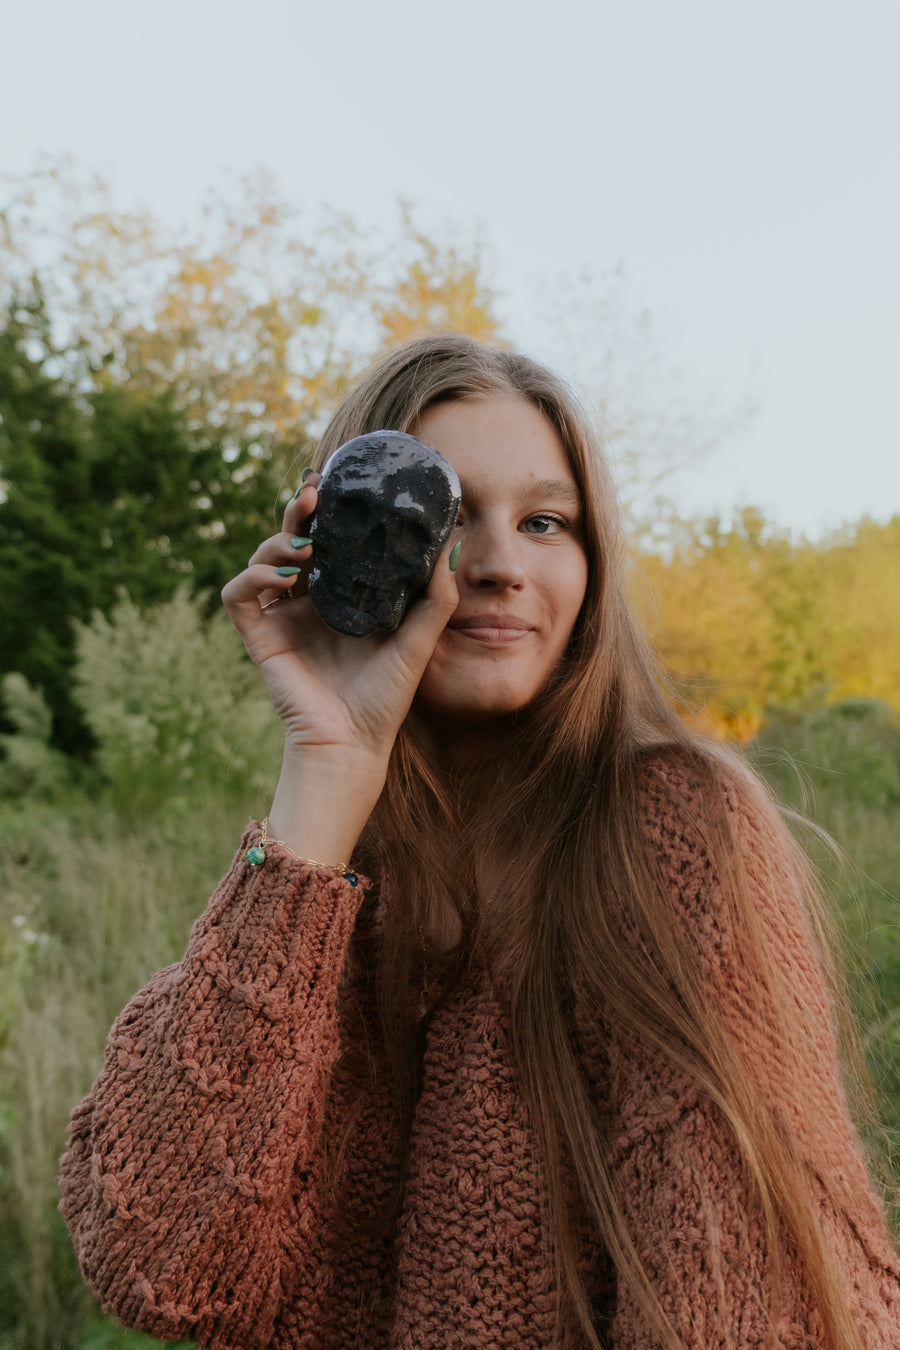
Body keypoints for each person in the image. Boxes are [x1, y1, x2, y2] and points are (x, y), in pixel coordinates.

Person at [59, 333, 899, 1349]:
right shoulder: (315, 886)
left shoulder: (671, 832)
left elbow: (747, 1299)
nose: (500, 566)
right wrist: (324, 770)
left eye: (547, 521)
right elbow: (162, 1264)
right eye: (449, 521)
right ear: (346, 545)